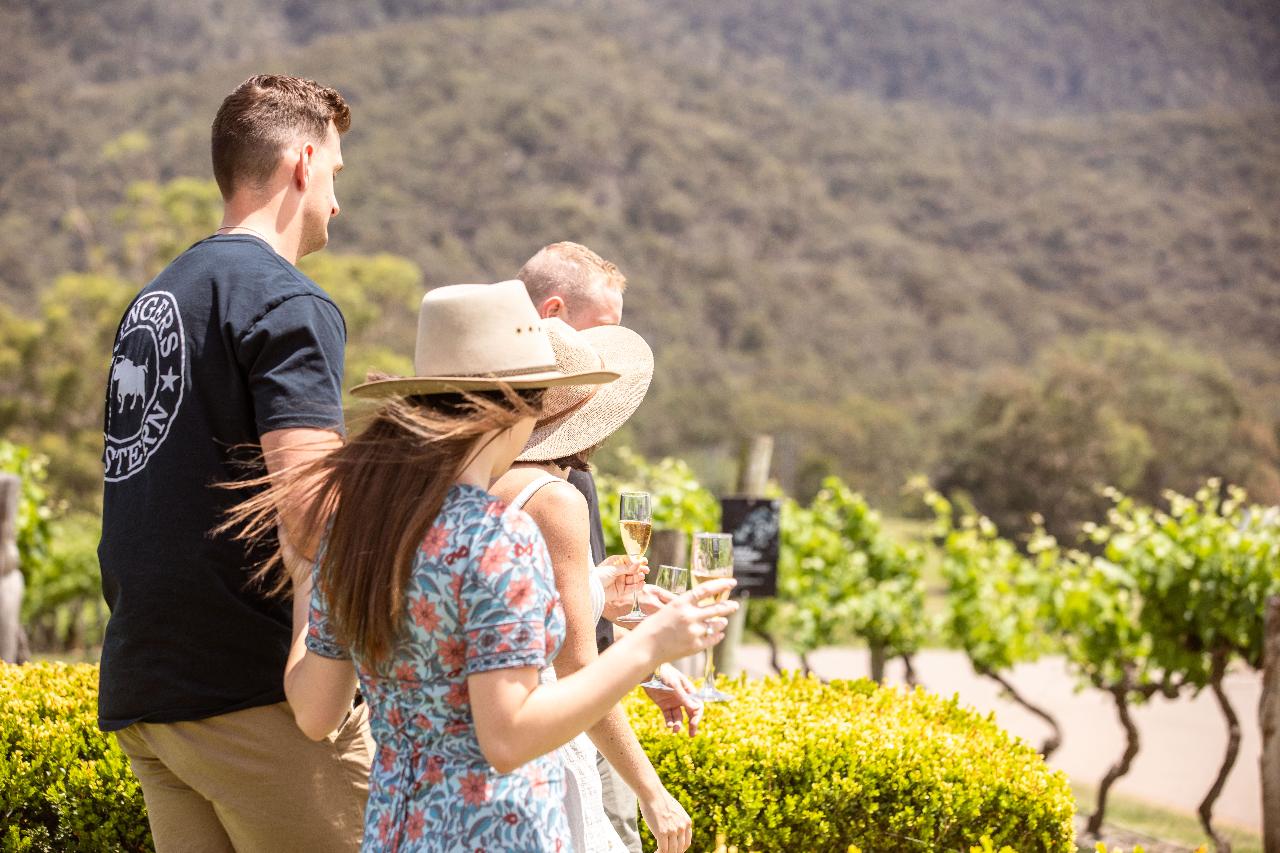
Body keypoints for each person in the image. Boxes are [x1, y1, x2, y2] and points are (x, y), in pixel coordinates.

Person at [227, 280, 736, 852]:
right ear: (520, 407)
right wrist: (650, 647)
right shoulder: (496, 535)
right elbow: (508, 737)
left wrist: (306, 579)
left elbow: (316, 712)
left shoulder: (361, 528)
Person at [96, 74, 370, 852]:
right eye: (337, 177)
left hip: (150, 693)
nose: (337, 203)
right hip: (255, 698)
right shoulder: (289, 302)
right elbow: (314, 509)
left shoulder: (156, 297)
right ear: (303, 162)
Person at [518, 242, 702, 852]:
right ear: (552, 314)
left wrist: (636, 655)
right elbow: (568, 656)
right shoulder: (552, 494)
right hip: (551, 732)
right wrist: (653, 790)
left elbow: (550, 625)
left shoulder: (443, 489)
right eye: (604, 333)